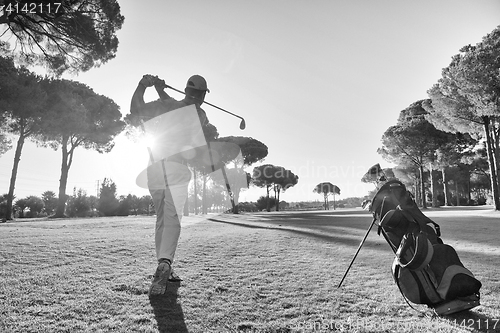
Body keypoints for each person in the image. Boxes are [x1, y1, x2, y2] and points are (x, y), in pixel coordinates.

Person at [129, 74, 210, 296]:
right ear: (202, 95)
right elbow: (182, 108)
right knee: (172, 217)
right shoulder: (200, 114)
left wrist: (143, 85)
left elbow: (136, 109)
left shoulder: (167, 105)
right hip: (176, 166)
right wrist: (160, 90)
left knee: (162, 219)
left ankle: (163, 267)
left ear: (186, 91)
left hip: (153, 166)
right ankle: (165, 263)